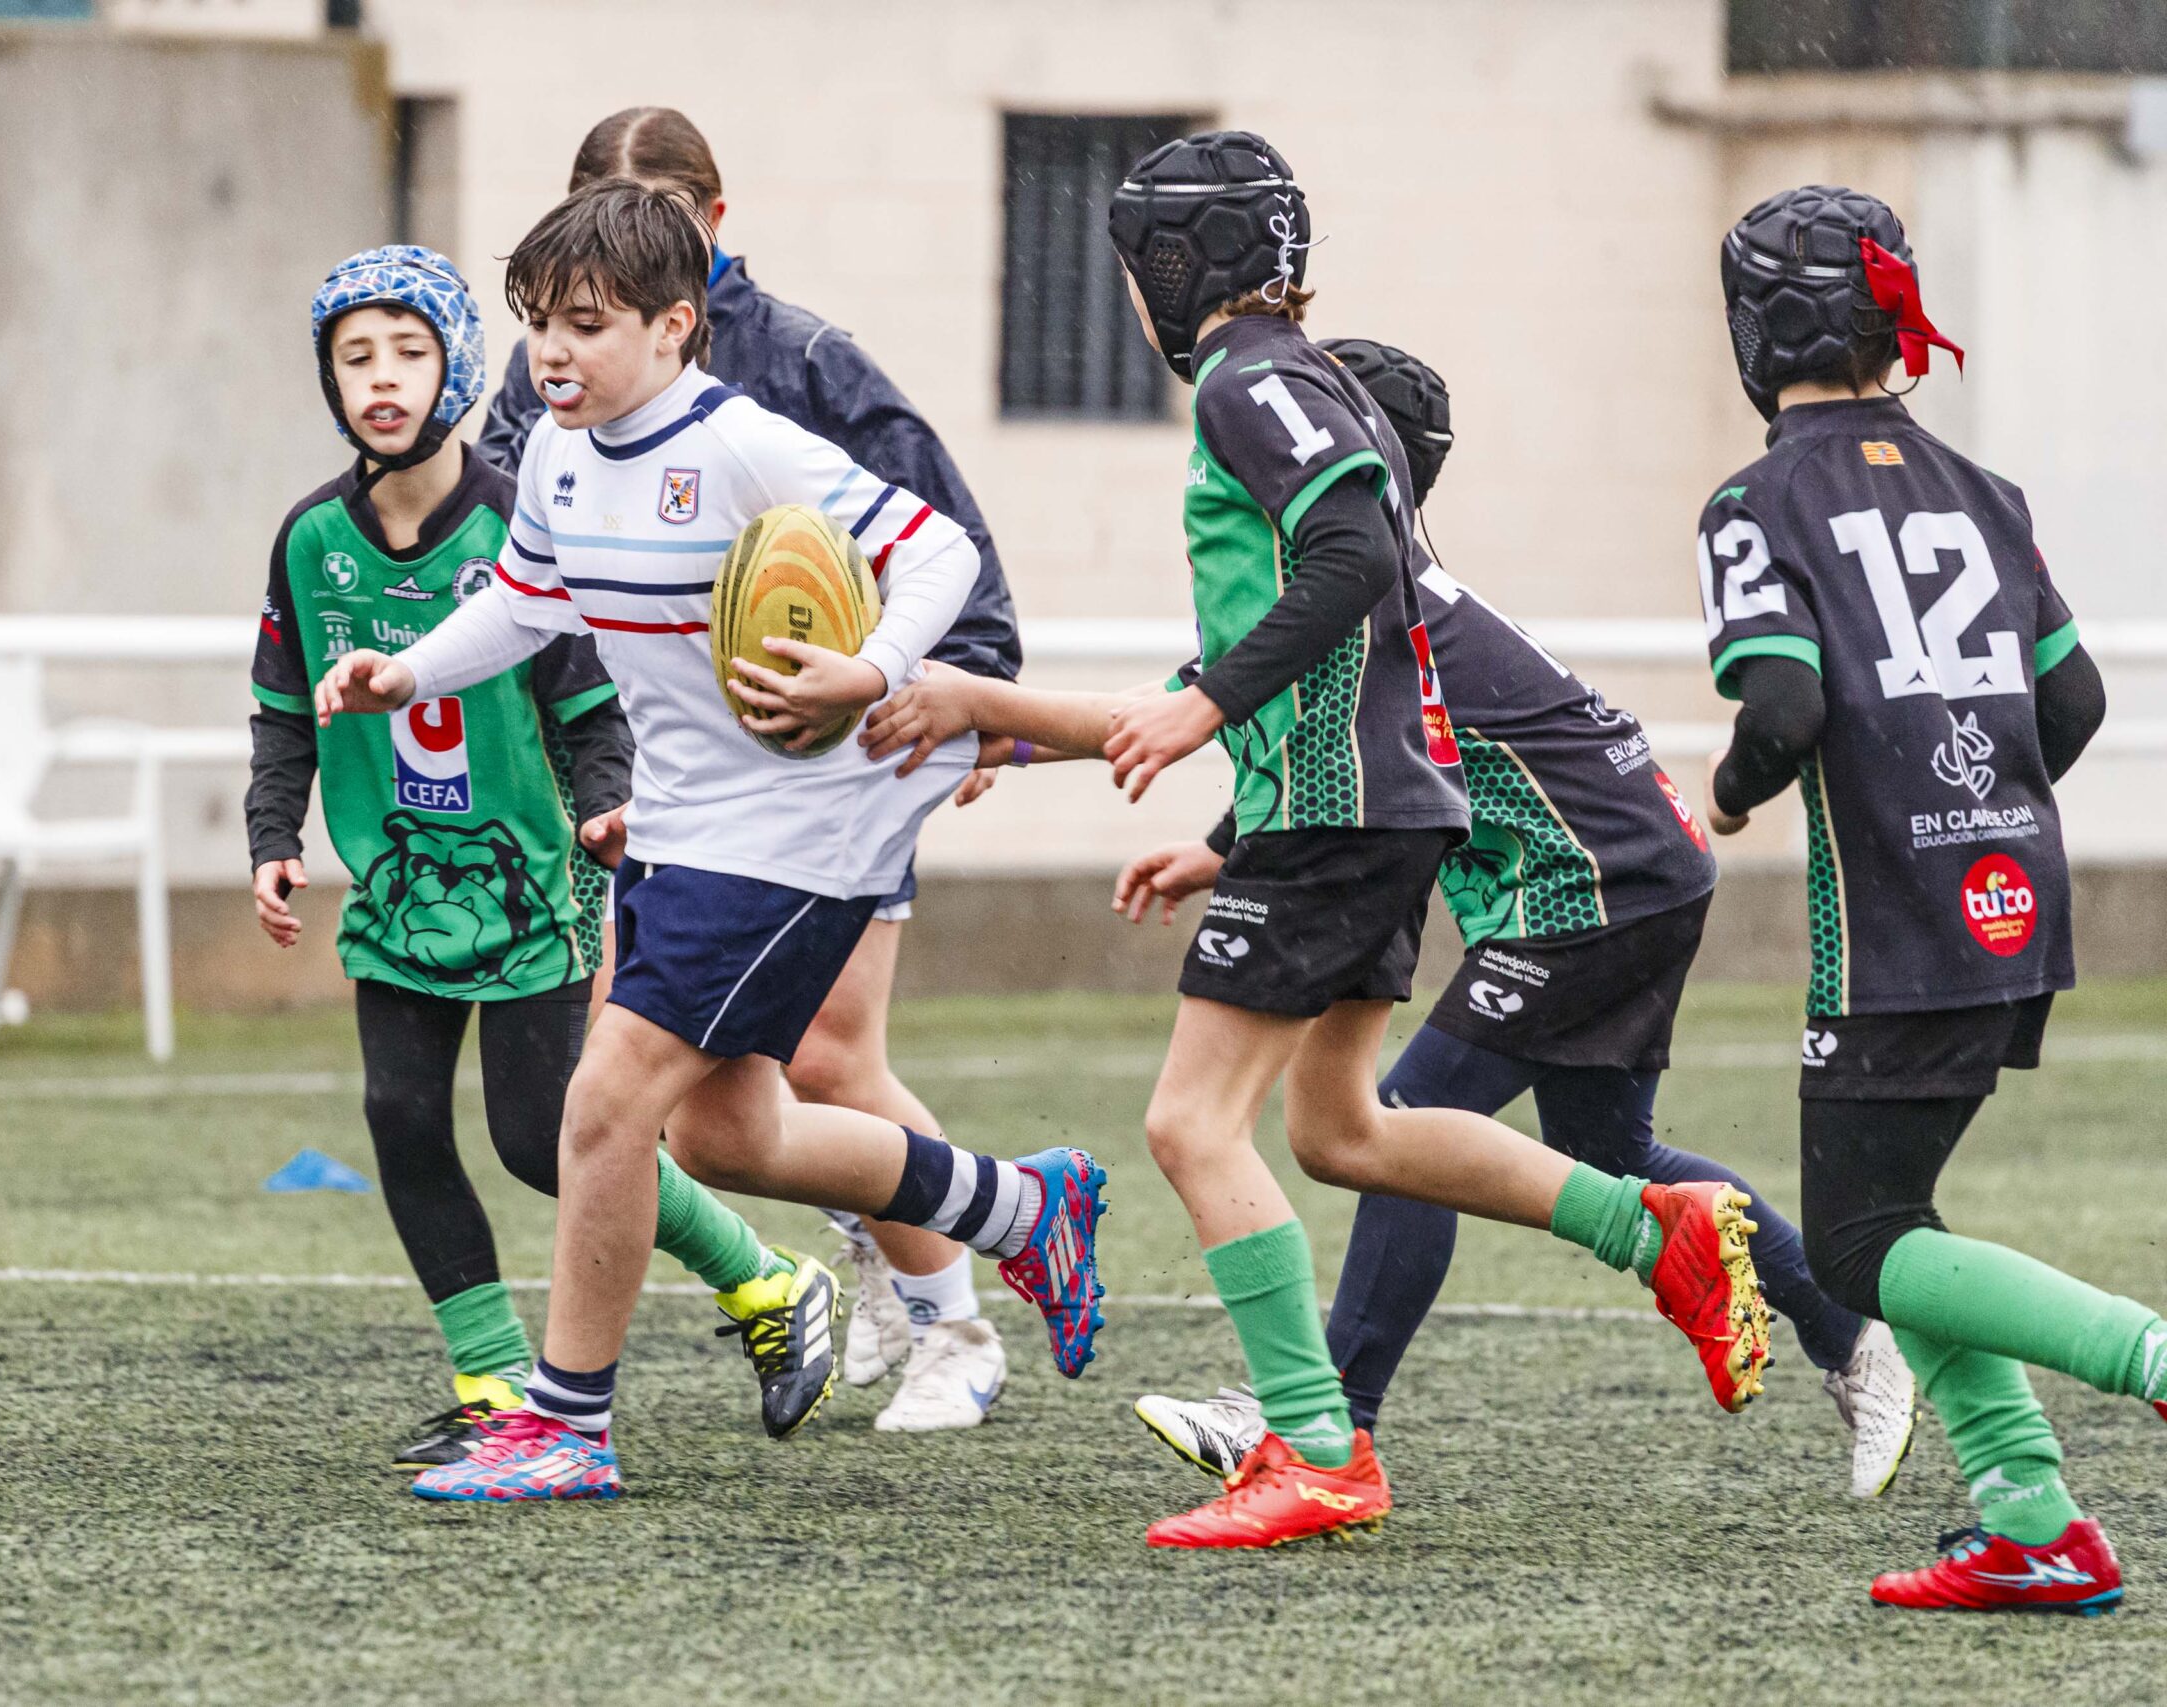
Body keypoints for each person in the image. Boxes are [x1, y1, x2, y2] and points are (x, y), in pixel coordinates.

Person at [860, 130, 1770, 1551]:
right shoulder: (1304, 377)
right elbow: (1275, 637)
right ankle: (1657, 1231)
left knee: (1187, 1122)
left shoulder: (1252, 380)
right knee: (1344, 1129)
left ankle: (1318, 1448)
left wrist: (1206, 706)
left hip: (1338, 813)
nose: (1129, 294)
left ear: (1178, 265)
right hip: (1377, 807)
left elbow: (1346, 568)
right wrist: (1014, 722)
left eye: (1131, 267)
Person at [311, 184, 1105, 1504]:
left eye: (586, 323)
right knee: (733, 1134)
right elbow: (521, 602)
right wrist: (408, 670)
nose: (552, 353)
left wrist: (870, 665)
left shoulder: (744, 445)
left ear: (676, 325)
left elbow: (939, 551)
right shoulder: (564, 454)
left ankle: (568, 1419)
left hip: (804, 828)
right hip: (685, 823)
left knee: (605, 1098)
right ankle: (1027, 1208)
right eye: (539, 325)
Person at [1121, 338, 1915, 1500]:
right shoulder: (1396, 593)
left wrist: (952, 706)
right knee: (1608, 1153)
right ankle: (1849, 1335)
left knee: (1403, 1127)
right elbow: (1326, 743)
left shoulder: (1365, 599)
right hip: (1637, 870)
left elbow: (1233, 718)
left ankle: (1324, 1416)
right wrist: (1212, 847)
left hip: (1592, 885)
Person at [246, 246, 831, 1478]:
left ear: (458, 364)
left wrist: (609, 806)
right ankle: (492, 1378)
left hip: (531, 878)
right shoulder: (309, 541)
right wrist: (272, 838)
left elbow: (596, 700)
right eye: (355, 359)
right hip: (402, 881)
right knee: (400, 1119)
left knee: (536, 1136)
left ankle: (765, 1282)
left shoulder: (524, 511)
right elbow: (282, 709)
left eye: (408, 352)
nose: (381, 380)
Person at [478, 107, 1021, 1430]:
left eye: (655, 216)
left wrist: (968, 693)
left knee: (815, 1057)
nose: (573, 329)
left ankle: (954, 1319)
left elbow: (939, 538)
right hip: (676, 785)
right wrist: (592, 760)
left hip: (841, 752)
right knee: (713, 1113)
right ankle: (928, 1250)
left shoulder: (797, 364)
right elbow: (529, 582)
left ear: (706, 239)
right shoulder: (554, 384)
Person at [1699, 185, 2164, 1612]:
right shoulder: (1981, 485)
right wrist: (1983, 802)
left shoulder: (1756, 498)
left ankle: (2150, 1361)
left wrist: (1719, 797)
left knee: (1855, 1244)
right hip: (2012, 895)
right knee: (1900, 1223)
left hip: (1892, 923)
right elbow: (2071, 694)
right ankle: (2034, 1523)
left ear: (1756, 329)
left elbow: (1781, 705)